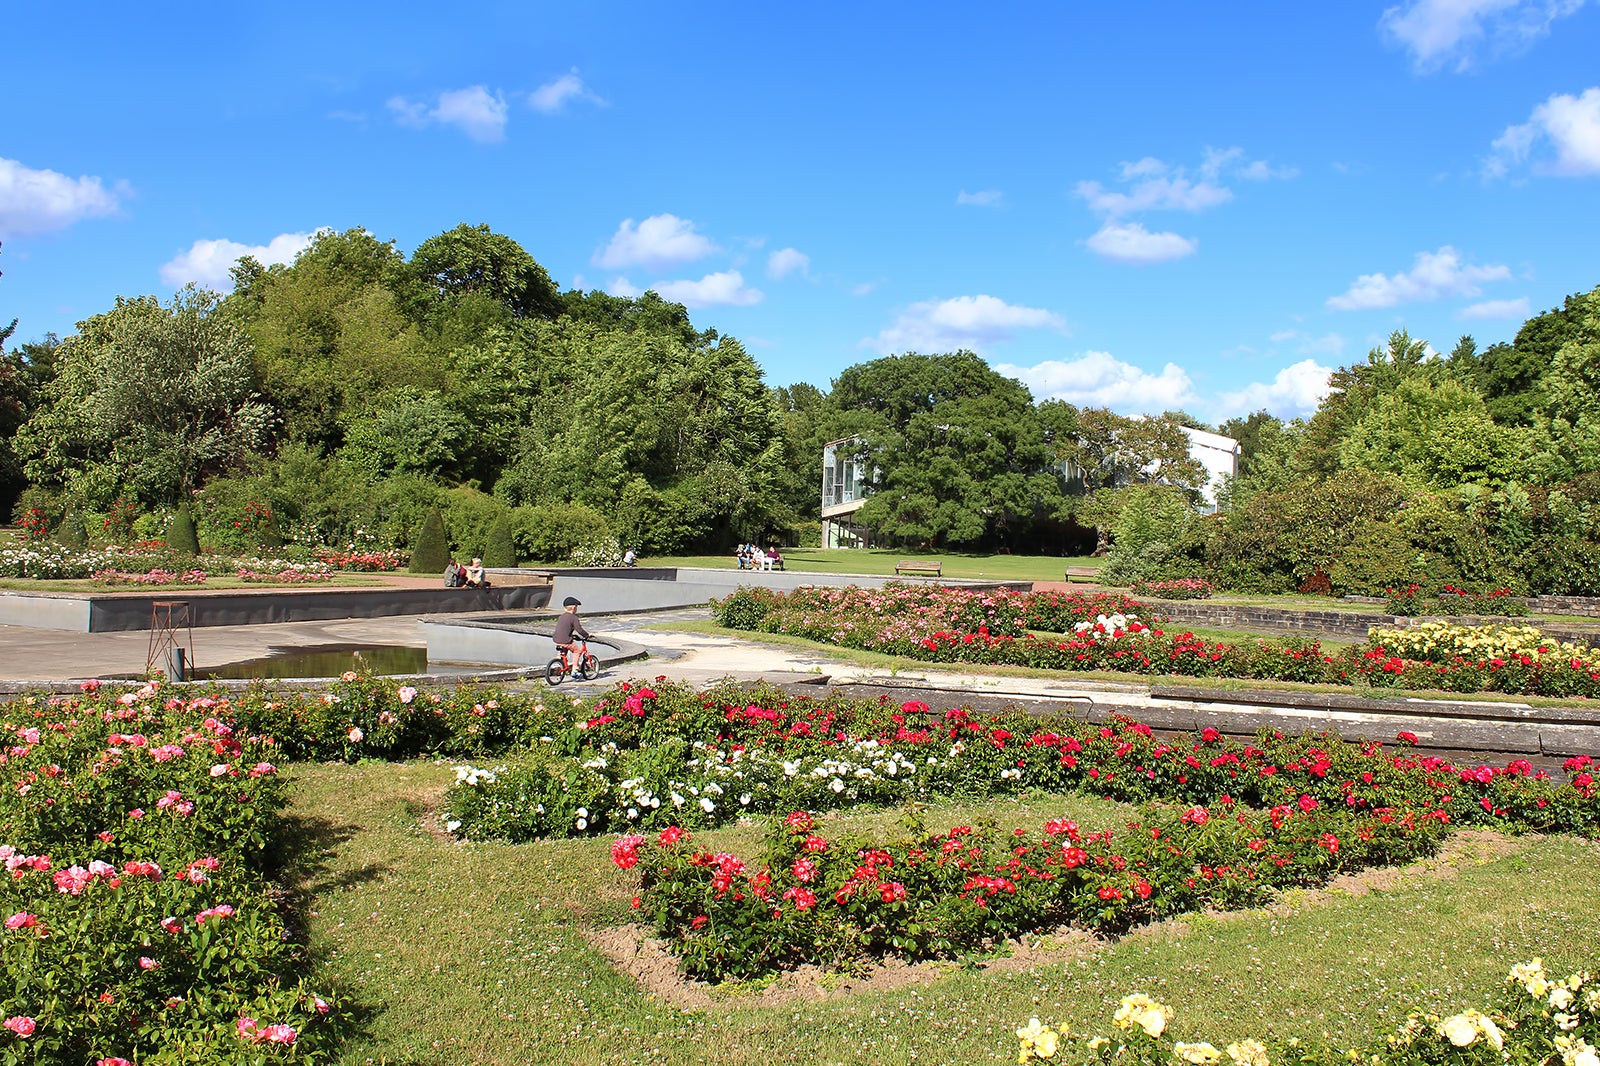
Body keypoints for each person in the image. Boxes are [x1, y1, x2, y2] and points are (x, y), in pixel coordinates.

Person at [553, 596, 591, 666]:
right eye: (576, 607)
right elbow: (579, 630)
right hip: (565, 641)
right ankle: (575, 670)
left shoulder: (561, 617)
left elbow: (563, 629)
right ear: (574, 608)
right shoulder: (574, 618)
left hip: (556, 640)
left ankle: (559, 662)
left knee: (564, 650)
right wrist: (587, 635)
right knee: (576, 651)